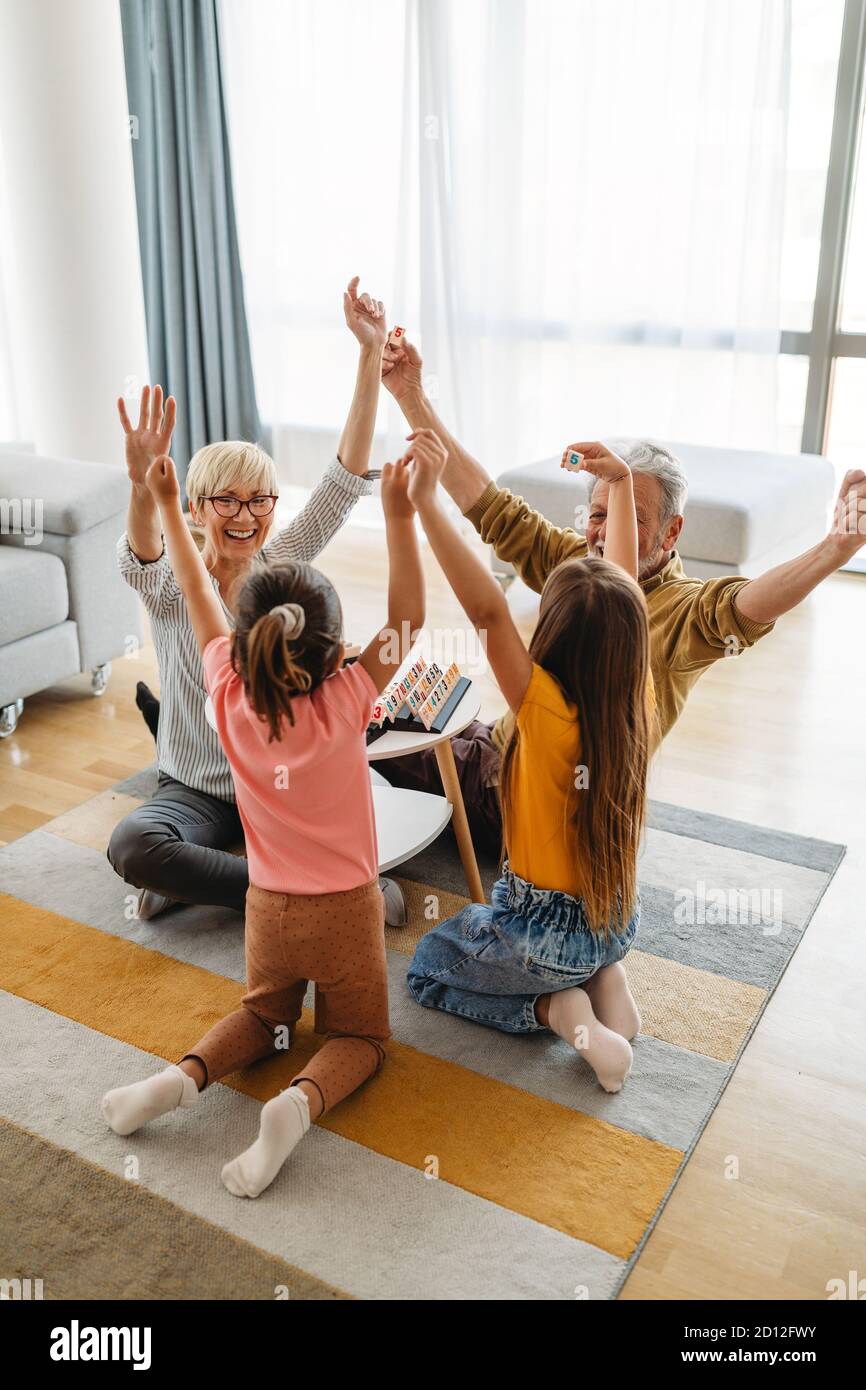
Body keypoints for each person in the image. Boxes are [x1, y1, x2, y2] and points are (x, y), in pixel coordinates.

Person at [377, 335, 866, 855]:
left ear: (672, 533)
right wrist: (410, 395)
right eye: (597, 515)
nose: (604, 535)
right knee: (394, 710)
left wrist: (833, 550)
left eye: (628, 516)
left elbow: (743, 608)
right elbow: (491, 507)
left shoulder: (680, 611)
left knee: (356, 739)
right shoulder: (579, 568)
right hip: (504, 741)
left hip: (518, 795)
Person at [102, 442, 424, 1198]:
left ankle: (177, 1081)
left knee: (264, 1016)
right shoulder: (348, 700)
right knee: (360, 1038)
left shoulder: (227, 692)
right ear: (336, 652)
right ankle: (295, 1106)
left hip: (266, 909)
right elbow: (409, 618)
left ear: (241, 642)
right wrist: (403, 515)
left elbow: (193, 586)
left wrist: (166, 496)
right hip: (346, 910)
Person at [107, 279, 405, 924]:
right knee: (134, 845)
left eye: (259, 500)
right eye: (227, 501)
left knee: (385, 798)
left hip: (285, 777)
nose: (245, 516)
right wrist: (140, 483)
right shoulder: (173, 583)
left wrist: (369, 352)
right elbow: (146, 548)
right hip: (199, 788)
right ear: (194, 507)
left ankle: (208, 880)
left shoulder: (286, 558)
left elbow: (346, 473)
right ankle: (290, 883)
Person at [403, 428, 651, 1093]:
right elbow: (621, 589)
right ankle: (607, 978)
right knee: (564, 949)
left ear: (552, 633)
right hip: (614, 919)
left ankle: (563, 1011)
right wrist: (621, 484)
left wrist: (426, 501)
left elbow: (485, 610)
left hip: (542, 936)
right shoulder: (630, 696)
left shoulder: (545, 711)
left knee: (427, 965)